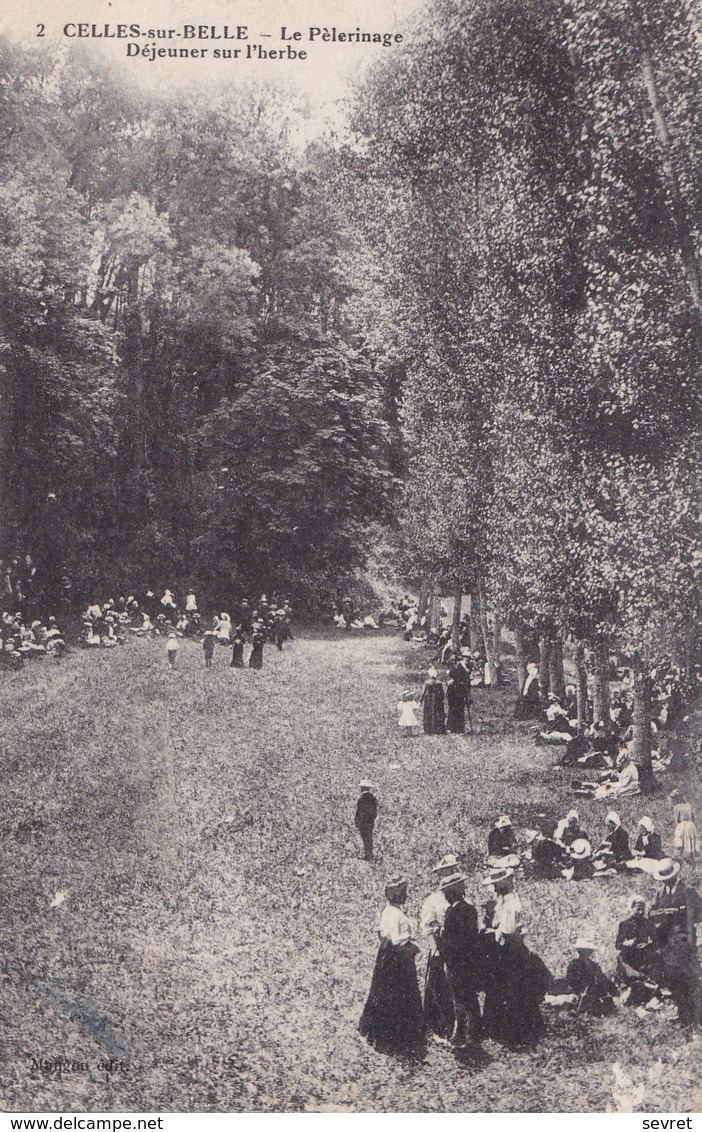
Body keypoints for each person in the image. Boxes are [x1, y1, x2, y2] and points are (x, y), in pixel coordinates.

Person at [358, 876, 425, 1055]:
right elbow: (395, 939)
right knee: (399, 995)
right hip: (398, 960)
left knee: (386, 992)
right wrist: (412, 942)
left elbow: (382, 934)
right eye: (402, 892)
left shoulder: (389, 911)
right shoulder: (394, 914)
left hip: (389, 958)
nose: (406, 895)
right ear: (394, 894)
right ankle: (398, 1036)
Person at [649, 858, 702, 1032]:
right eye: (663, 879)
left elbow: (696, 915)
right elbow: (653, 912)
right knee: (674, 980)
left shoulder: (688, 891)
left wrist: (689, 938)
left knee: (690, 979)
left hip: (683, 942)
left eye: (668, 877)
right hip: (666, 944)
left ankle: (696, 1016)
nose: (665, 881)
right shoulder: (660, 892)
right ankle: (683, 1013)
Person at [438, 872, 482, 1047]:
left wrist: (441, 936)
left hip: (456, 962)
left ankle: (462, 1035)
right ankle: (473, 1032)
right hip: (469, 961)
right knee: (470, 997)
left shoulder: (453, 911)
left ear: (451, 893)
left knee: (460, 998)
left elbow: (454, 939)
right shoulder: (470, 909)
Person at [420, 854, 459, 1040]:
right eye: (446, 871)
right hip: (440, 948)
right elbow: (427, 928)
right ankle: (439, 1024)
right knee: (437, 984)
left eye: (453, 870)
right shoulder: (433, 901)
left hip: (457, 949)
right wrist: (435, 950)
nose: (450, 874)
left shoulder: (458, 898)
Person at [615, 895, 657, 1002]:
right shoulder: (625, 924)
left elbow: (656, 942)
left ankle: (647, 984)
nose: (640, 912)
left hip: (644, 955)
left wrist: (647, 945)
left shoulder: (647, 923)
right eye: (638, 909)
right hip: (629, 955)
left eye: (642, 909)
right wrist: (626, 943)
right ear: (632, 908)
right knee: (624, 965)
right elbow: (617, 945)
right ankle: (630, 985)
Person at [564, 940, 618, 1015]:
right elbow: (572, 981)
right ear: (579, 951)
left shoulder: (594, 965)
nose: (587, 952)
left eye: (589, 950)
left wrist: (613, 990)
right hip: (580, 993)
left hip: (594, 993)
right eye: (584, 950)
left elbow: (603, 979)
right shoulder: (574, 964)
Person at [354, 782, 378, 862]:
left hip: (363, 821)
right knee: (369, 837)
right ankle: (370, 854)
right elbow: (375, 811)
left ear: (363, 788)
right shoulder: (373, 798)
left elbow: (359, 810)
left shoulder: (362, 797)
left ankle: (368, 856)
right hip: (370, 821)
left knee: (365, 837)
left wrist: (357, 820)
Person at [420, 668, 446, 735]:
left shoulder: (427, 682)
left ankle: (429, 729)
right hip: (437, 698)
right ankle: (438, 729)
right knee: (438, 713)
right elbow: (442, 693)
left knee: (429, 712)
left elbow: (423, 692)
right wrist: (441, 699)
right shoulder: (439, 682)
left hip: (429, 698)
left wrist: (421, 701)